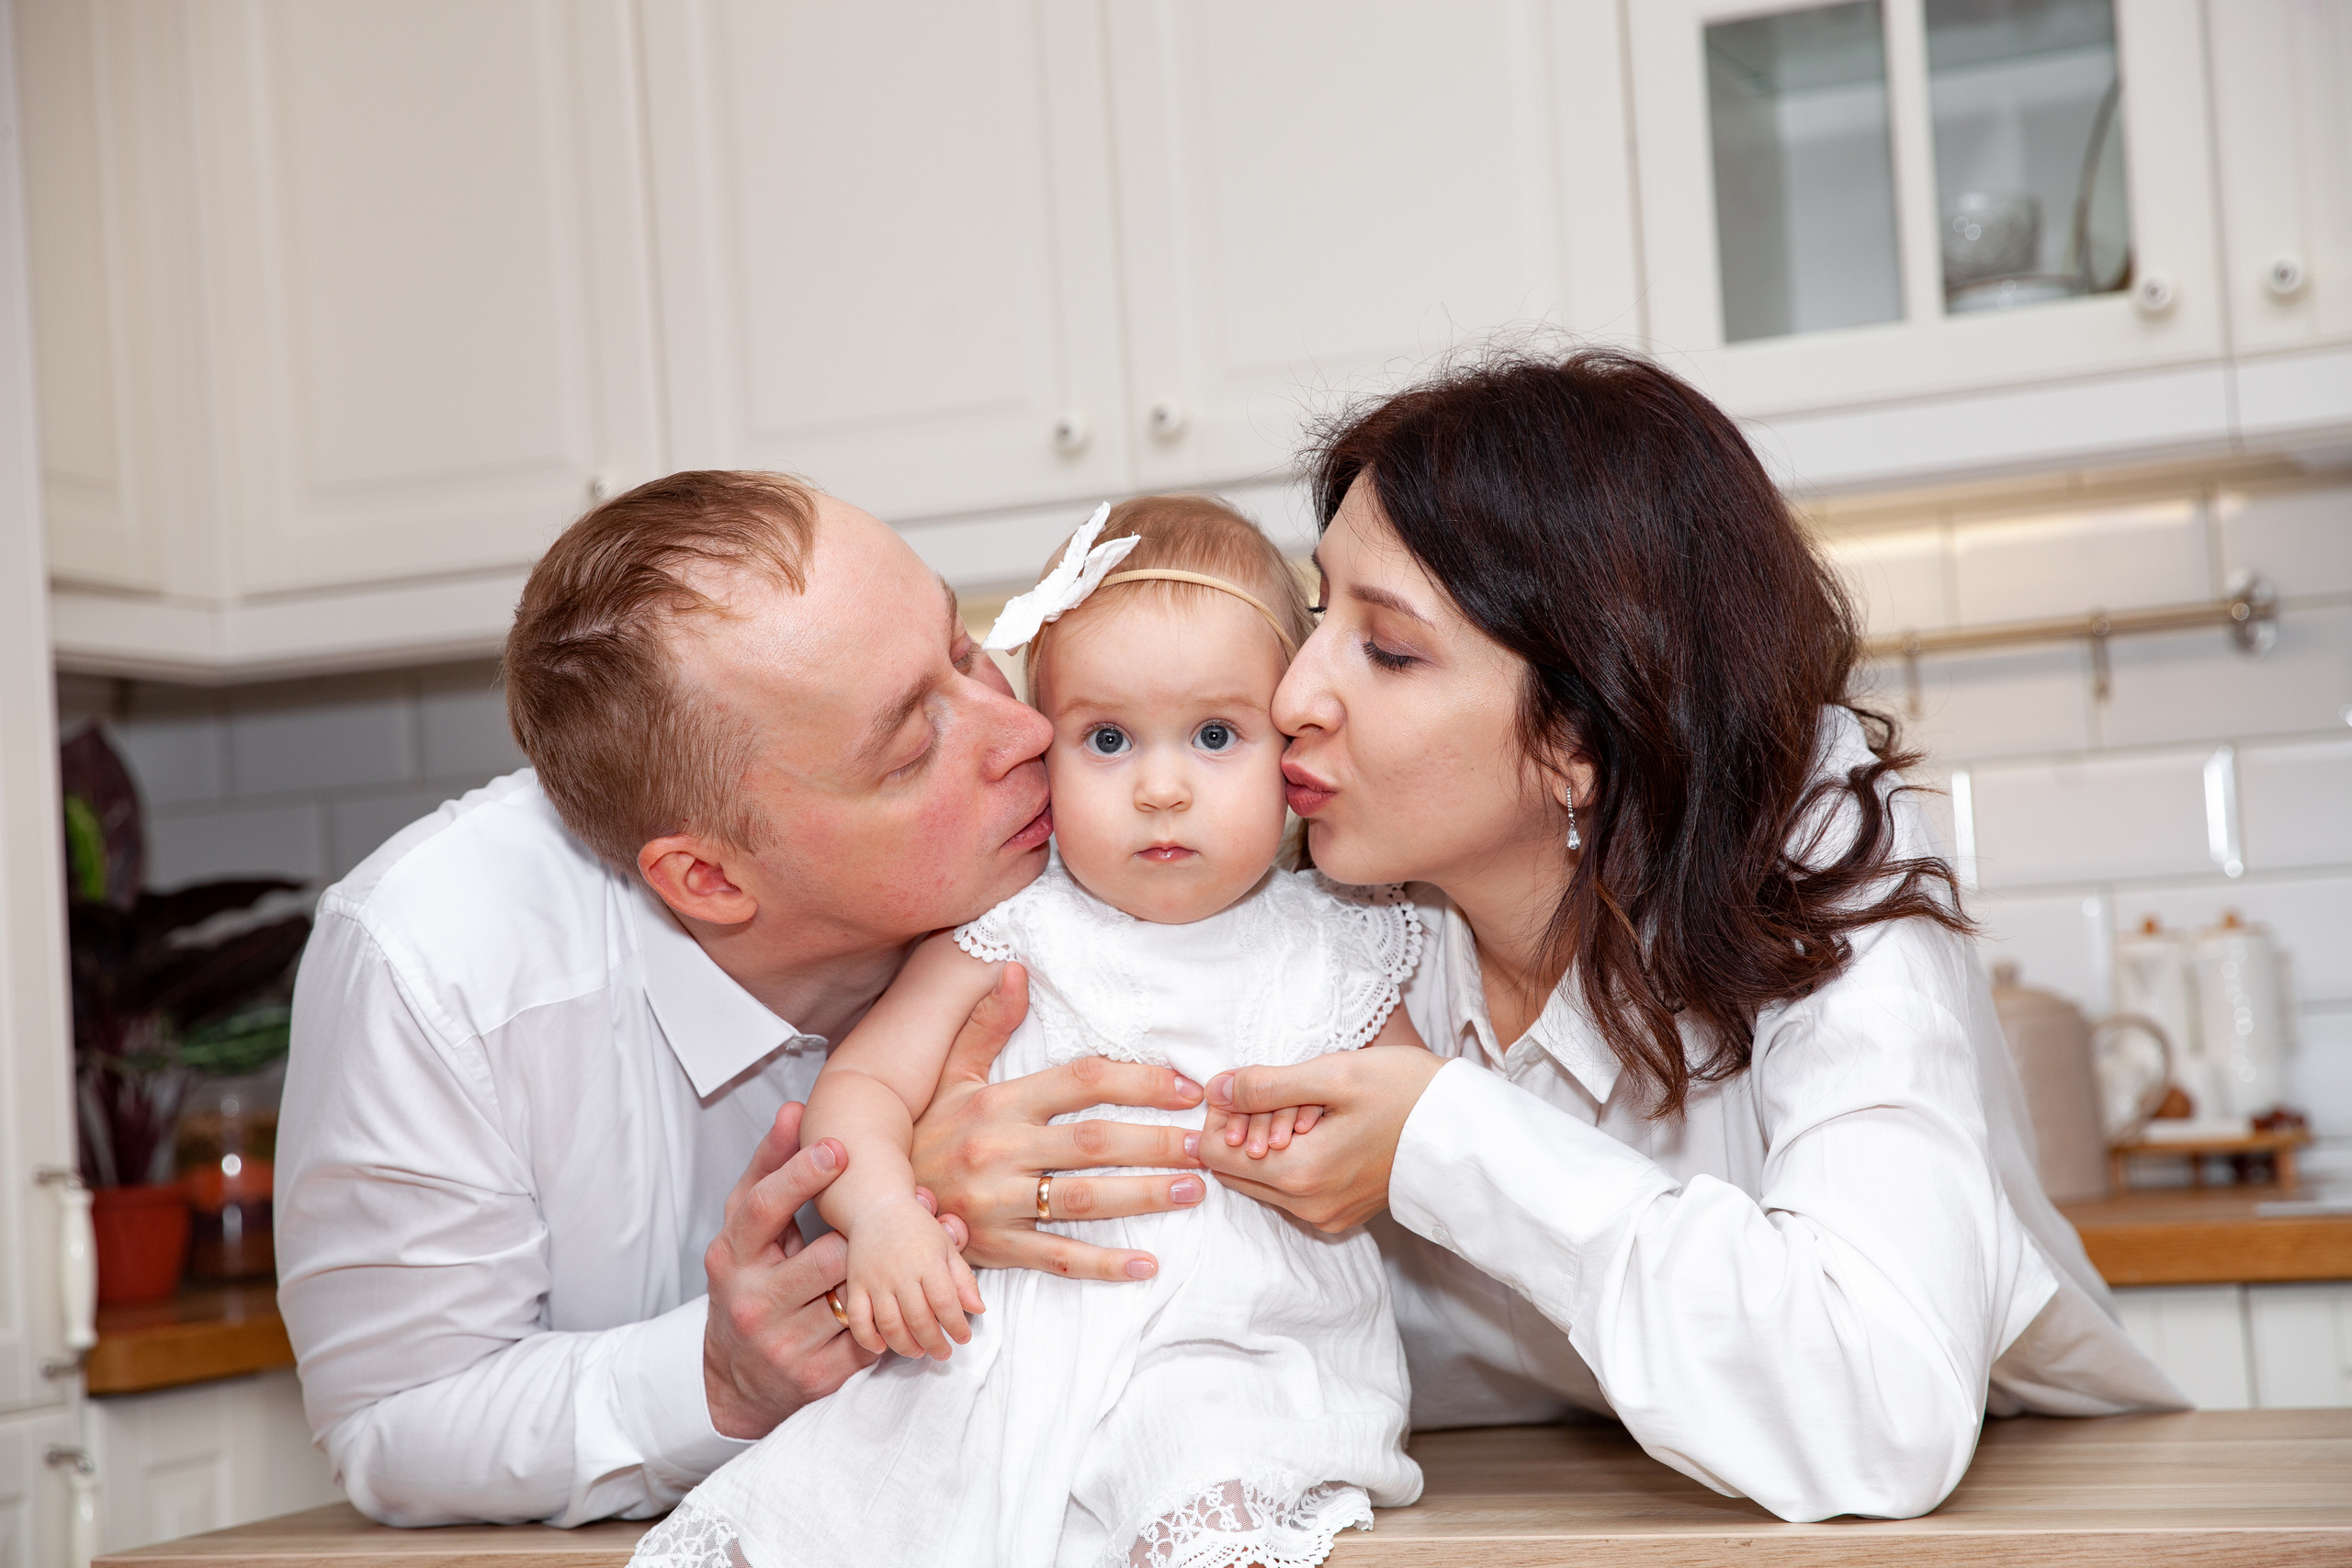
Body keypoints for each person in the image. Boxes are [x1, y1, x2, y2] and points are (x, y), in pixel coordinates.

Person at [1187, 350, 2188, 1525]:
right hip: (1525, 1505)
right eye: (1316, 618)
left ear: (1581, 740)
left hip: (2037, 1506)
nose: (1291, 695)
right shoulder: (1304, 903)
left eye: (1389, 650)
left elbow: (1880, 1412)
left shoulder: (1815, 847)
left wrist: (1442, 1136)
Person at [275, 472, 1215, 1526]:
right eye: (913, 747)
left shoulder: (1125, 831)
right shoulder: (436, 960)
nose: (1023, 732)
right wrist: (721, 1377)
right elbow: (397, 1422)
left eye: (963, 648)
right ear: (710, 882)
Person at [634, 496, 1424, 1568]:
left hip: (1235, 1350)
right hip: (1000, 1354)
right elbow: (862, 1091)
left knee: (1203, 1480)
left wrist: (1353, 1154)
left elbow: (1420, 1134)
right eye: (1105, 739)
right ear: (1046, 750)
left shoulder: (1347, 940)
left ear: (1288, 749)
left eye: (1213, 735)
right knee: (838, 1504)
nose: (1158, 787)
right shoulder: (1009, 930)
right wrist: (879, 1216)